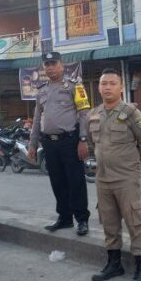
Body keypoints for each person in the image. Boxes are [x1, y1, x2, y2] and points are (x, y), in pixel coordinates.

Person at [88, 69, 141, 281]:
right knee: (109, 223)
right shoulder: (94, 114)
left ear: (121, 87)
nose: (107, 87)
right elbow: (93, 143)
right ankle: (114, 263)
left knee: (135, 222)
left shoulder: (132, 114)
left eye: (112, 83)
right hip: (103, 179)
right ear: (99, 87)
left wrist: (130, 164)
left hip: (126, 178)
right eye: (104, 83)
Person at [29, 52, 91, 236]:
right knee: (57, 182)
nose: (49, 67)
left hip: (70, 141)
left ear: (62, 65)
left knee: (76, 181)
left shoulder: (74, 86)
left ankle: (81, 220)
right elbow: (37, 118)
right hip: (49, 143)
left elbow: (84, 114)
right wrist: (32, 144)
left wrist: (83, 140)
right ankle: (64, 218)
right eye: (46, 64)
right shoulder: (42, 91)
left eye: (53, 63)